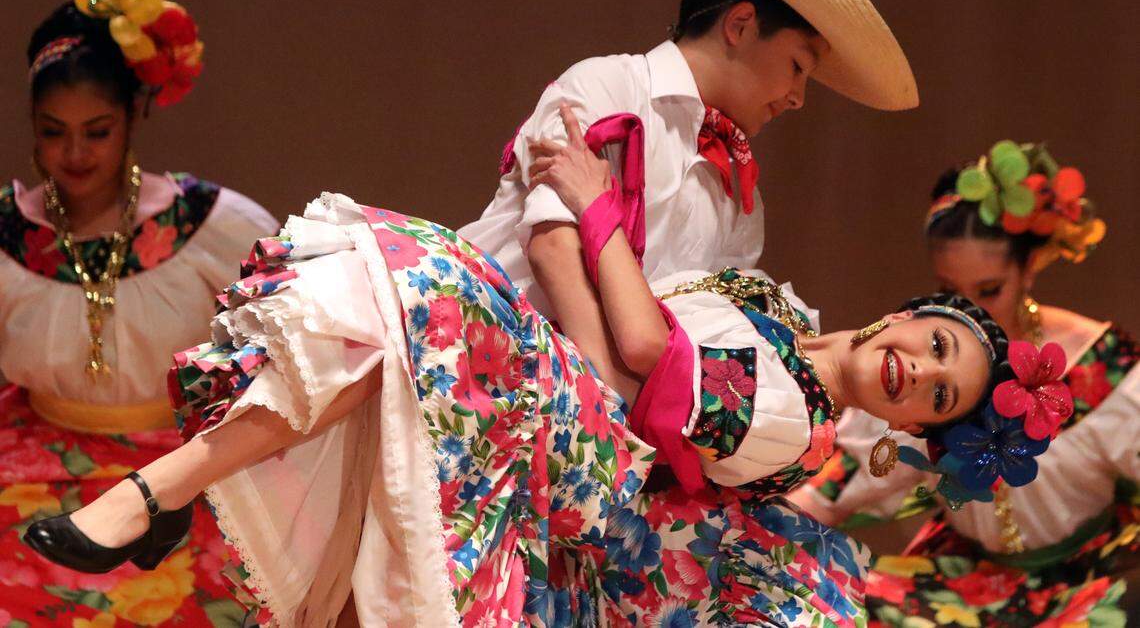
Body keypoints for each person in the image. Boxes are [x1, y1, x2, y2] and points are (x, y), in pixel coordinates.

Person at [22, 127, 1050, 625]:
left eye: (940, 396)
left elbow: (645, 359)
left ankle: (155, 493)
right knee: (392, 309)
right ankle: (155, 491)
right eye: (940, 349)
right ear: (915, 315)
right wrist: (566, 245)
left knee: (430, 280)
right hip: (568, 389)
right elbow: (626, 323)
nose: (920, 374)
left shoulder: (796, 425)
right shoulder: (771, 304)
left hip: (592, 474)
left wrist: (583, 223)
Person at [459, 0, 918, 391]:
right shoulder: (610, 86)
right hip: (478, 343)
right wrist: (603, 401)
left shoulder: (740, 198)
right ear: (741, 25)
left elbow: (685, 336)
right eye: (797, 67)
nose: (798, 98)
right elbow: (552, 249)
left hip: (571, 409)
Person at [0, 0, 278, 623]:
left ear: (134, 116)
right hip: (29, 458)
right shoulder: (10, 233)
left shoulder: (211, 223)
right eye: (52, 131)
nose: (73, 153)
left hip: (182, 467)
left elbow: (284, 358)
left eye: (96, 131)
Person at [789, 141, 1139, 626]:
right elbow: (851, 473)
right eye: (951, 293)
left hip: (1083, 582)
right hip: (965, 579)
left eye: (990, 290)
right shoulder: (931, 369)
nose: (973, 308)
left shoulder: (1100, 363)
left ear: (1029, 266)